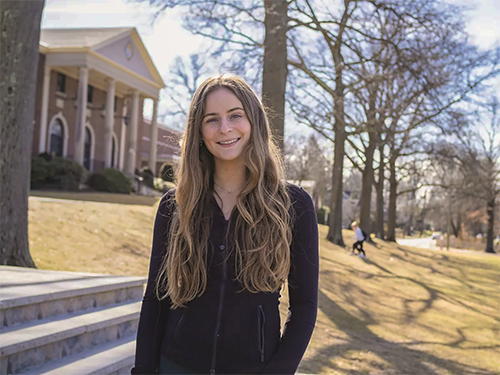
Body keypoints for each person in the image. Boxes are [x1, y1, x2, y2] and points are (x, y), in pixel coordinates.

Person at [131, 75, 319, 375]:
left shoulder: (293, 205)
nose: (225, 128)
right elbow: (156, 297)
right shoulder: (175, 205)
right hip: (177, 366)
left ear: (254, 121)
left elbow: (306, 305)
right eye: (211, 119)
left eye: (235, 115)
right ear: (199, 131)